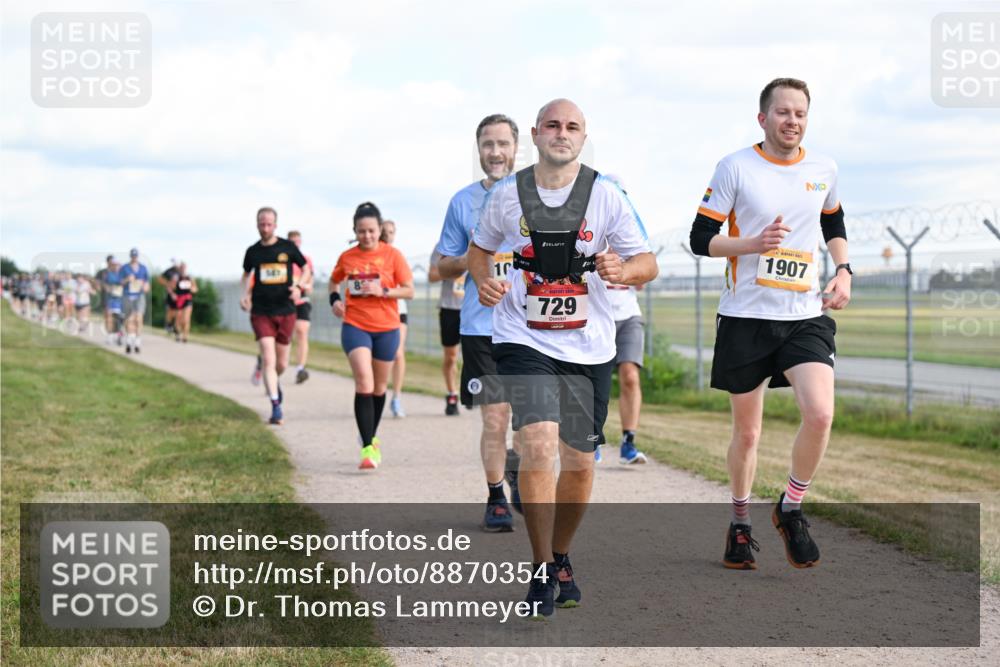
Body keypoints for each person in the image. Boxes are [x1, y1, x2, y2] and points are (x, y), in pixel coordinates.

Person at [469, 99, 657, 616]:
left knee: (578, 464)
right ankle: (537, 571)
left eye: (572, 127)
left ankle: (559, 555)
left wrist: (624, 272)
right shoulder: (508, 196)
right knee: (538, 443)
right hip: (523, 338)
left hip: (589, 346)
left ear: (583, 136)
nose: (562, 133)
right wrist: (484, 279)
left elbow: (648, 262)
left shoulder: (607, 196)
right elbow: (480, 248)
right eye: (552, 125)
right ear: (534, 134)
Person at [688, 77, 850, 571]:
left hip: (803, 316)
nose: (792, 121)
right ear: (763, 118)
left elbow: (832, 222)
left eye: (800, 113)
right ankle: (740, 523)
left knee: (820, 413)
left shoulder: (824, 168)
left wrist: (843, 269)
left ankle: (791, 506)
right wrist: (752, 244)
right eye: (783, 112)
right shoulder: (736, 167)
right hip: (745, 317)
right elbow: (700, 238)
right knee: (749, 434)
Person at [436, 112, 522, 532]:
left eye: (503, 143)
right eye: (488, 144)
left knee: (531, 418)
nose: (495, 152)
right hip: (481, 326)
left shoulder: (539, 196)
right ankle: (495, 497)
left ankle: (520, 468)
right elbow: (441, 267)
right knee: (495, 417)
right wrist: (473, 259)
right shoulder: (462, 202)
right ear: (479, 150)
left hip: (532, 327)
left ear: (516, 148)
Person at [330, 202, 414, 469]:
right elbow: (334, 281)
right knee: (363, 383)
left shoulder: (393, 256)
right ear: (354, 231)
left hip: (387, 327)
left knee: (379, 389)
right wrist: (334, 301)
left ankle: (371, 435)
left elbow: (409, 290)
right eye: (361, 231)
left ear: (379, 230)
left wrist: (384, 292)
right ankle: (368, 448)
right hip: (355, 324)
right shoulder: (347, 257)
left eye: (371, 231)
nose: (366, 236)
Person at [594, 174, 648, 466]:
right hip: (596, 317)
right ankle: (593, 437)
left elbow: (644, 277)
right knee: (596, 382)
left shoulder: (631, 232)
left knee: (629, 376)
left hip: (627, 315)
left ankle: (628, 442)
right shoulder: (588, 230)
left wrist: (630, 268)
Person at [240, 207, 311, 425]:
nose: (265, 228)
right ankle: (275, 406)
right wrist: (246, 295)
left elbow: (305, 268)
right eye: (262, 224)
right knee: (269, 359)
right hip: (261, 312)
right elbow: (246, 274)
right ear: (257, 224)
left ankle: (274, 382)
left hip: (286, 311)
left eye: (269, 224)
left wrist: (299, 285)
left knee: (281, 364)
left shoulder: (287, 248)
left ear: (275, 225)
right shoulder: (253, 251)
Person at [380, 219, 410, 417]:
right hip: (377, 311)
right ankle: (377, 392)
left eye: (391, 232)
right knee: (380, 356)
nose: (388, 235)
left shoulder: (397, 257)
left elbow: (407, 286)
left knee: (397, 353)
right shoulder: (371, 256)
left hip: (398, 310)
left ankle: (396, 397)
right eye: (385, 231)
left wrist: (386, 290)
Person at [428, 249, 462, 415]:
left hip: (477, 307)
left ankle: (476, 389)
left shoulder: (483, 239)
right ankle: (452, 394)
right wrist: (456, 267)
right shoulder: (443, 247)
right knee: (451, 356)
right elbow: (432, 276)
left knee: (477, 354)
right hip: (450, 308)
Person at [287, 230, 315, 384]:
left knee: (302, 332)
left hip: (302, 300)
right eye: (292, 241)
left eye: (298, 241)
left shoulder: (306, 260)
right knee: (284, 336)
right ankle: (271, 364)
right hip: (285, 302)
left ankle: (300, 368)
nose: (296, 244)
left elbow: (310, 280)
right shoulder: (283, 260)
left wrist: (305, 285)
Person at [120, 248, 150, 353]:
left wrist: (146, 287)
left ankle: (137, 340)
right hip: (128, 295)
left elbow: (147, 283)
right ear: (130, 256)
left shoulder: (143, 268)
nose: (134, 258)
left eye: (135, 256)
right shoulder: (124, 268)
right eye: (132, 256)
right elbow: (120, 282)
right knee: (129, 318)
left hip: (139, 295)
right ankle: (129, 339)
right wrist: (127, 279)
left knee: (139, 318)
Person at [172, 262, 197, 342]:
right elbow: (170, 287)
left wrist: (192, 289)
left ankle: (185, 336)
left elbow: (195, 288)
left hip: (187, 299)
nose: (183, 269)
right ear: (180, 268)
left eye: (184, 267)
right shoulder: (176, 277)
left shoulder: (190, 277)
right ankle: (177, 333)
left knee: (186, 319)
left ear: (186, 268)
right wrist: (173, 294)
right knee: (178, 318)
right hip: (178, 299)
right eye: (181, 267)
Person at [102, 257, 125, 345]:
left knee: (119, 319)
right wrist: (108, 288)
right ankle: (110, 335)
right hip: (111, 299)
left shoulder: (123, 274)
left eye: (117, 265)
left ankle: (119, 335)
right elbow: (104, 285)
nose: (115, 267)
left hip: (121, 300)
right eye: (113, 265)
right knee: (110, 317)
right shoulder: (108, 274)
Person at [158, 260, 180, 335]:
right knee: (170, 310)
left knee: (177, 312)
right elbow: (160, 279)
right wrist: (167, 285)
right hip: (170, 293)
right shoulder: (169, 271)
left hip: (179, 294)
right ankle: (169, 324)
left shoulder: (181, 271)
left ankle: (175, 327)